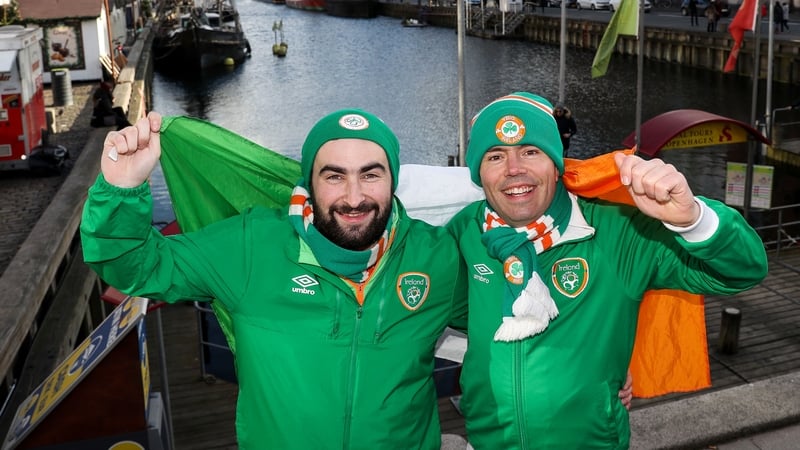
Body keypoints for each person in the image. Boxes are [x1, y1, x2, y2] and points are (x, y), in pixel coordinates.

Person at [79, 109, 472, 448]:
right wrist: (121, 189)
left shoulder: (435, 256)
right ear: (309, 183)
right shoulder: (251, 247)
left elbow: (502, 313)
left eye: (370, 175)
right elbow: (137, 265)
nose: (354, 197)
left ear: (393, 179)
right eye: (334, 177)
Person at [446, 92, 769, 448]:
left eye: (531, 151)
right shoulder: (465, 231)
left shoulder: (619, 230)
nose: (513, 169)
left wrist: (693, 219)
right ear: (478, 173)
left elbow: (743, 270)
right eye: (495, 156)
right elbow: (462, 309)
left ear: (557, 164)